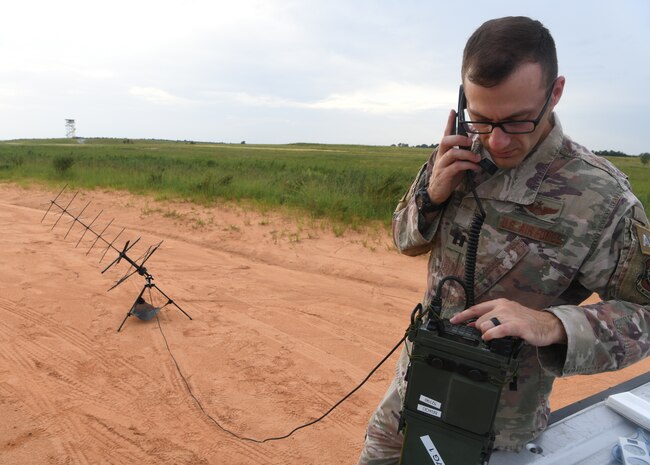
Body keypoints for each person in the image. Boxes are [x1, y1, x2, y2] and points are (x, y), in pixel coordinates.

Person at [357, 15, 650, 464]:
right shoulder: (457, 154)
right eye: (480, 118)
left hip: (497, 424)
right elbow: (404, 239)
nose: (495, 141)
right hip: (414, 385)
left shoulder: (602, 199)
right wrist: (431, 195)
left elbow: (645, 315)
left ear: (555, 93)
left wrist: (552, 325)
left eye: (516, 121)